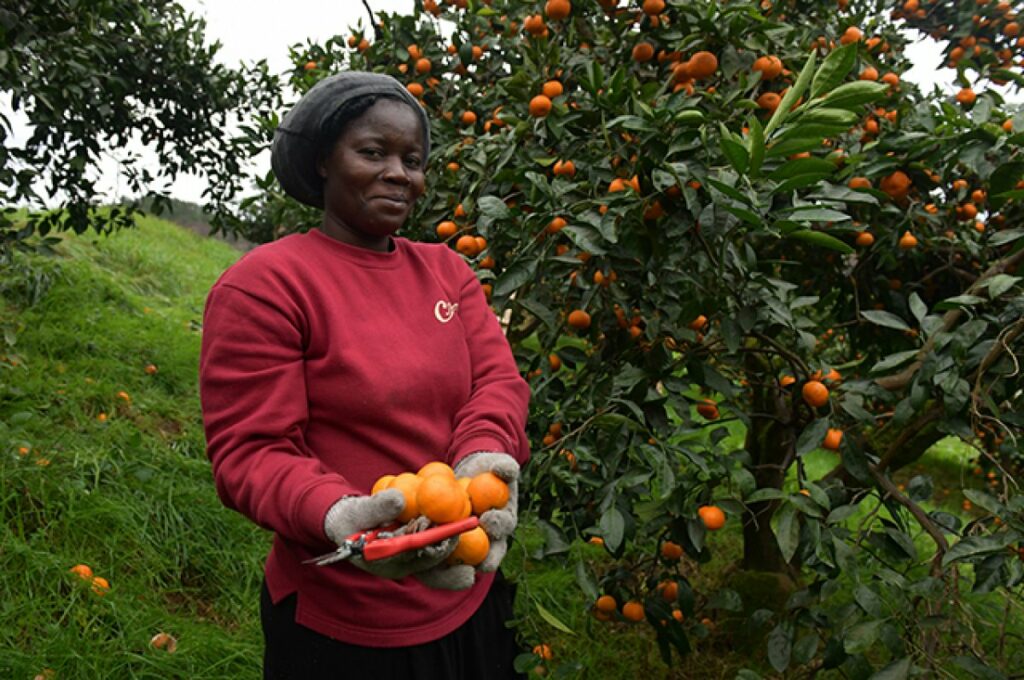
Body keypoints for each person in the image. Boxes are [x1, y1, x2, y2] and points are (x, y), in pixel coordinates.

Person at [198, 71, 531, 679]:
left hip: (470, 591)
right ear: (324, 161)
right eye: (373, 152)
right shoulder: (268, 285)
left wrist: (483, 458)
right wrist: (339, 513)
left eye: (413, 159)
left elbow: (497, 384)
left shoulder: (446, 272)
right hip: (344, 619)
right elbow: (251, 450)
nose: (400, 173)